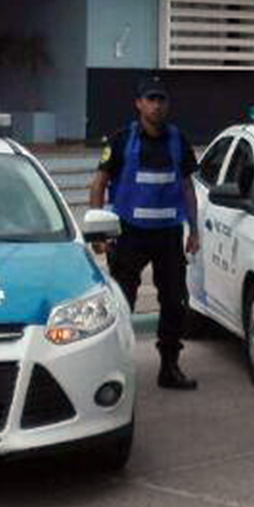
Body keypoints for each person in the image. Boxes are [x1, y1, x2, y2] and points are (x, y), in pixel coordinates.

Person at [89, 77, 201, 390]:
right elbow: (98, 184)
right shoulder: (121, 140)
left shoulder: (178, 140)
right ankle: (117, 369)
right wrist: (97, 231)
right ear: (138, 104)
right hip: (128, 236)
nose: (156, 105)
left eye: (161, 99)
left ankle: (169, 368)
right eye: (150, 99)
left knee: (175, 302)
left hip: (168, 237)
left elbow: (187, 187)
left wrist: (194, 230)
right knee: (123, 303)